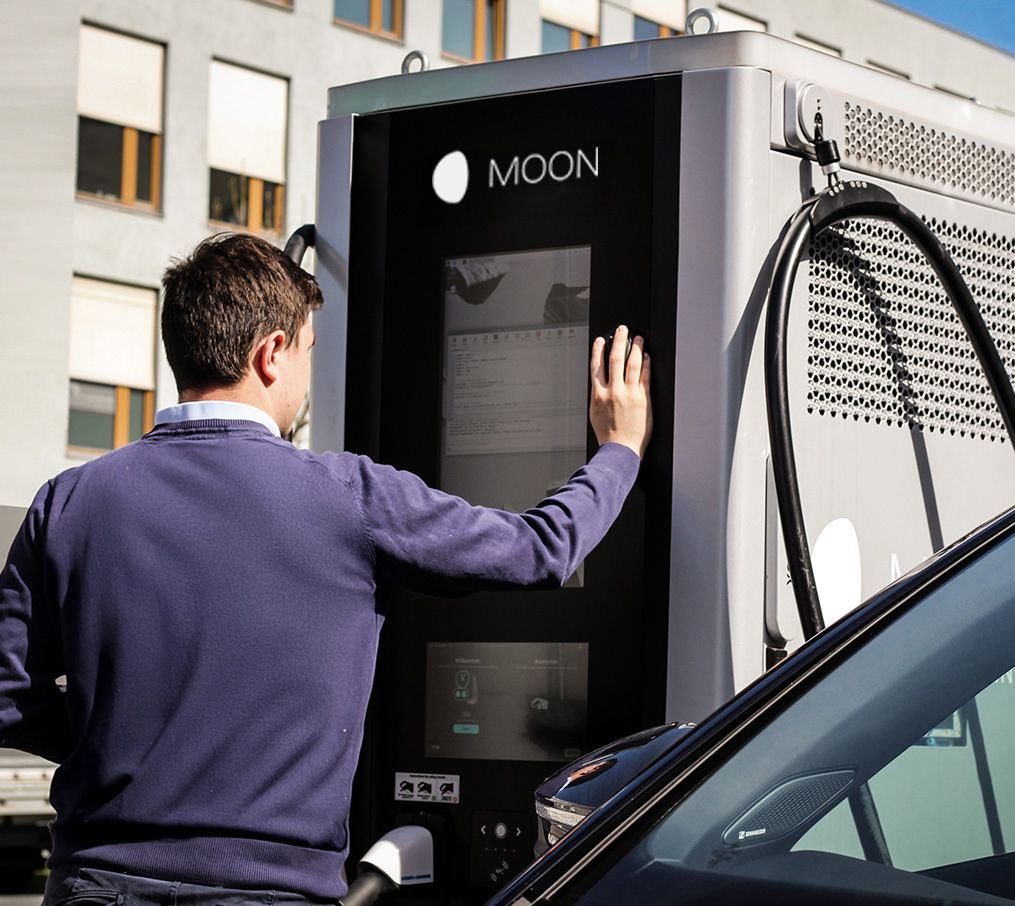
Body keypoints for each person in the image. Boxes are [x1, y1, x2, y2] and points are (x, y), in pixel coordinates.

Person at [0, 233, 652, 906]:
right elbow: (541, 550)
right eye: (309, 350)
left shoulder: (70, 501)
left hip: (94, 887)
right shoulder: (349, 497)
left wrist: (122, 744)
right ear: (271, 353)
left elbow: (6, 696)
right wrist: (620, 450)